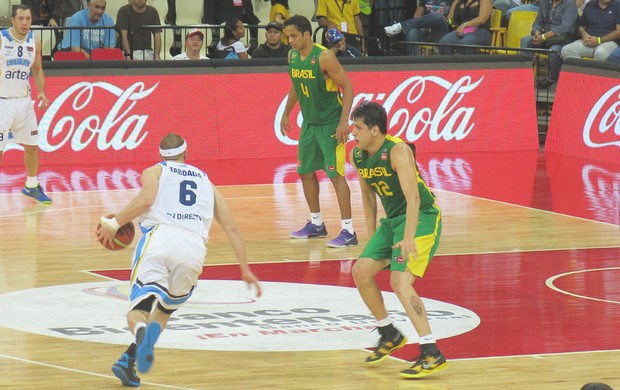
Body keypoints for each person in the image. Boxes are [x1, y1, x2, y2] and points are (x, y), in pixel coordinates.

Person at [97, 133, 262, 387]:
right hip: (194, 249)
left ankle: (141, 333)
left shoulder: (155, 171)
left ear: (161, 155)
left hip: (161, 240)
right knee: (164, 310)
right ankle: (128, 360)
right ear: (186, 155)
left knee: (139, 309)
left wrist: (114, 222)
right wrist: (245, 268)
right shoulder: (207, 181)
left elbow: (146, 200)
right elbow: (231, 226)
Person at [348, 101, 447, 379]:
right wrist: (371, 237)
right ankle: (388, 332)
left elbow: (414, 198)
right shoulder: (358, 155)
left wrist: (407, 237)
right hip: (391, 221)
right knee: (361, 271)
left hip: (422, 217)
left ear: (375, 129)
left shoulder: (398, 151)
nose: (353, 132)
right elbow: (367, 196)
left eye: (358, 127)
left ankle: (431, 351)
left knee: (399, 281)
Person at [281, 15, 358, 248]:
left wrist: (344, 121)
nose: (291, 41)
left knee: (335, 175)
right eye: (288, 37)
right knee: (304, 171)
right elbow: (295, 84)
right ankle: (316, 224)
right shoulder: (292, 56)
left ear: (307, 34)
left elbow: (348, 86)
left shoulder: (324, 57)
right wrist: (286, 113)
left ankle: (349, 231)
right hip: (310, 124)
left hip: (330, 124)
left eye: (294, 36)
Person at [0, 5, 51, 204]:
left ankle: (31, 185)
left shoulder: (34, 41)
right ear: (12, 20)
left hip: (23, 101)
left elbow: (37, 69)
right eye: (20, 18)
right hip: (2, 101)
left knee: (32, 146)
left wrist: (42, 91)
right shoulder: (2, 39)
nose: (24, 23)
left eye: (28, 19)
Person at [520, 0, 577, 89]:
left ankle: (551, 78)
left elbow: (566, 27)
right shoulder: (545, 2)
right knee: (525, 40)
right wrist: (537, 33)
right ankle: (524, 77)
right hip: (544, 37)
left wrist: (544, 37)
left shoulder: (570, 3)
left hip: (561, 39)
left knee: (554, 50)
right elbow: (538, 21)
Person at [384, 0, 452, 56]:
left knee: (438, 16)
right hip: (425, 29)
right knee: (412, 32)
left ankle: (401, 26)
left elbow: (451, 20)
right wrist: (426, 25)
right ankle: (413, 64)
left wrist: (443, 20)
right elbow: (416, 17)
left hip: (441, 31)